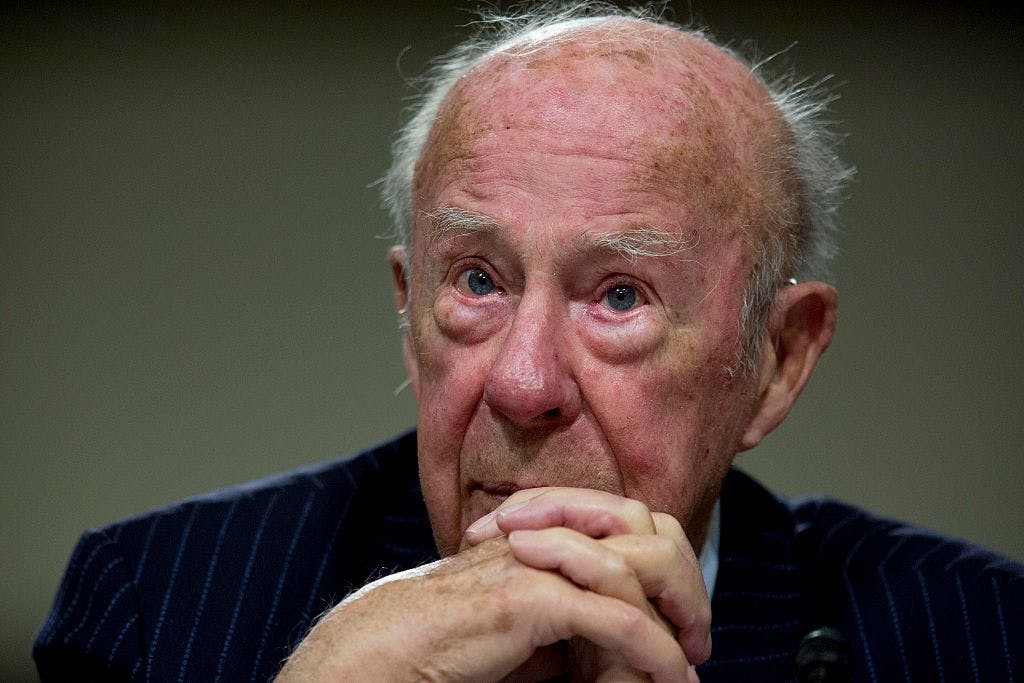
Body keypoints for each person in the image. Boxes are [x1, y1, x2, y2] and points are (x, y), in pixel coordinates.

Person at [34, 4, 1022, 682]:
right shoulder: (159, 603)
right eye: (478, 281)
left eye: (620, 296)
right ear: (410, 311)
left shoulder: (975, 636)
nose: (521, 381)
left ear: (776, 360)